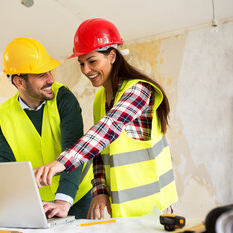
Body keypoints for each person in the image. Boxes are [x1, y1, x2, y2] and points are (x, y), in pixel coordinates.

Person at [34, 18, 178, 219]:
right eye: (81, 63)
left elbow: (107, 129)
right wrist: (100, 191)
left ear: (112, 56)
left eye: (92, 61)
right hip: (123, 211)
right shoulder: (101, 98)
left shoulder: (139, 90)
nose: (85, 70)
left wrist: (60, 163)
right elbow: (102, 151)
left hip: (153, 208)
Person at [0, 37, 93, 219]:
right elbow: (4, 162)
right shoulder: (2, 114)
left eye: (49, 72)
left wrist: (63, 200)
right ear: (19, 82)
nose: (51, 79)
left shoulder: (63, 97)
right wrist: (8, 201)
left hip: (77, 194)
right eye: (41, 75)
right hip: (39, 201)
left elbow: (73, 147)